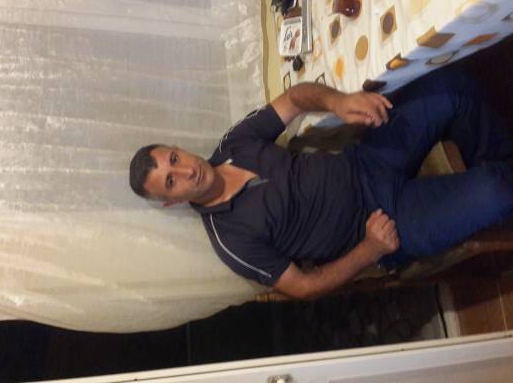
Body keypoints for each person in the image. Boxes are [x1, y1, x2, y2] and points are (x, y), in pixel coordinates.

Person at [129, 67, 513, 299]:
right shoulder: (230, 239)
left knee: (449, 85)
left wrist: (338, 102)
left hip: (368, 161)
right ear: (171, 201)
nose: (187, 172)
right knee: (496, 190)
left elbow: (295, 98)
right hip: (382, 222)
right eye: (171, 182)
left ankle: (496, 158)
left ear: (178, 149)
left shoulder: (233, 144)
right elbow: (301, 287)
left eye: (174, 160)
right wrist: (369, 250)